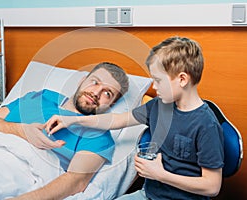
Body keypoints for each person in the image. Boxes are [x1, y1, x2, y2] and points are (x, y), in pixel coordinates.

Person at [46, 37, 225, 199]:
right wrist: (72, 119)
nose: (154, 86)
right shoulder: (158, 106)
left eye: (159, 80)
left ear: (182, 79)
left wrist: (160, 175)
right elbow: (116, 120)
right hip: (148, 195)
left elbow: (212, 187)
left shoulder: (206, 124)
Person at [0, 62, 129, 199]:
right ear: (82, 81)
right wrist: (22, 131)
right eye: (94, 82)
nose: (96, 93)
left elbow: (76, 181)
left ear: (111, 105)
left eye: (107, 93)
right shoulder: (42, 97)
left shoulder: (98, 133)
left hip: (6, 173)